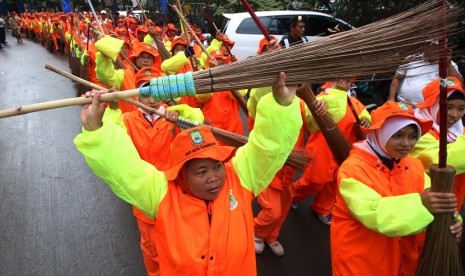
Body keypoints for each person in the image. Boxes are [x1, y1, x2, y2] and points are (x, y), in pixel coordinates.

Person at [74, 71, 302, 275]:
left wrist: (281, 106)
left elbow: (267, 147)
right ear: (182, 173)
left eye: (217, 165)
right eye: (201, 171)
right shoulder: (161, 195)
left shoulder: (239, 179)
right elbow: (123, 167)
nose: (213, 176)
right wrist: (96, 130)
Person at [331, 101, 462, 276]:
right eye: (397, 135)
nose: (406, 143)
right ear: (380, 133)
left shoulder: (413, 165)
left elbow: (434, 196)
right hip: (361, 259)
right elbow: (374, 213)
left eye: (413, 136)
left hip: (403, 258)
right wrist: (421, 204)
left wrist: (452, 219)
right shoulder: (353, 169)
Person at [291, 78, 371, 225]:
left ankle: (322, 208)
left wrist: (366, 120)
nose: (345, 83)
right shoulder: (323, 98)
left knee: (334, 184)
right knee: (313, 181)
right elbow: (310, 117)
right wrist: (334, 97)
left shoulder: (354, 102)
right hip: (322, 150)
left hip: (344, 152)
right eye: (342, 79)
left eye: (348, 81)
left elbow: (365, 114)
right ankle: (293, 195)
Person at [411, 77, 465, 210]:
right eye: (448, 107)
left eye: (461, 109)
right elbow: (440, 161)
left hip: (452, 205)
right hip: (424, 207)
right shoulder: (416, 131)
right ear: (433, 105)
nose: (455, 115)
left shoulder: (460, 132)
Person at [388, 41, 463, 104]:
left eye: (435, 48)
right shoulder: (412, 58)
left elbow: (459, 83)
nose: (430, 50)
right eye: (428, 47)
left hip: (428, 108)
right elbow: (397, 78)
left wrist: (448, 64)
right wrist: (391, 98)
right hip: (403, 104)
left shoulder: (448, 64)